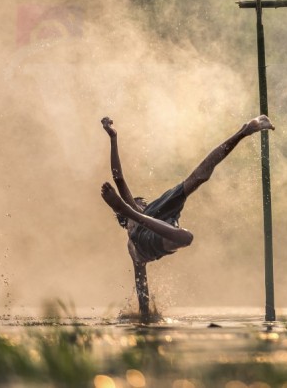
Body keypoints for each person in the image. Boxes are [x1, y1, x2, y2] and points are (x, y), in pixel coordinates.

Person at [99, 114, 274, 321]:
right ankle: (243, 132)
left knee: (198, 178)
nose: (143, 202)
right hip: (145, 234)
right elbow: (118, 178)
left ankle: (243, 131)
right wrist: (113, 139)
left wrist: (113, 137)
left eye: (141, 203)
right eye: (139, 202)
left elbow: (141, 287)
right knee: (184, 236)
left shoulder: (153, 210)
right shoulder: (133, 229)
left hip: (160, 221)